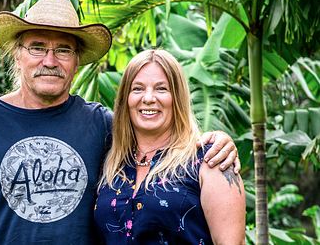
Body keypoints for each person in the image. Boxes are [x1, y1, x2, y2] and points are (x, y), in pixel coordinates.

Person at [0, 0, 240, 245]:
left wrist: (217, 141)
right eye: (38, 47)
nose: (49, 61)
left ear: (77, 60)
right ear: (18, 55)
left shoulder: (101, 124)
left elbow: (161, 133)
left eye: (63, 50)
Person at [94, 49, 246, 244]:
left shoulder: (210, 159)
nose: (148, 98)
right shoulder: (112, 163)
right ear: (125, 99)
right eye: (138, 89)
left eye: (161, 89)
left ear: (177, 97)